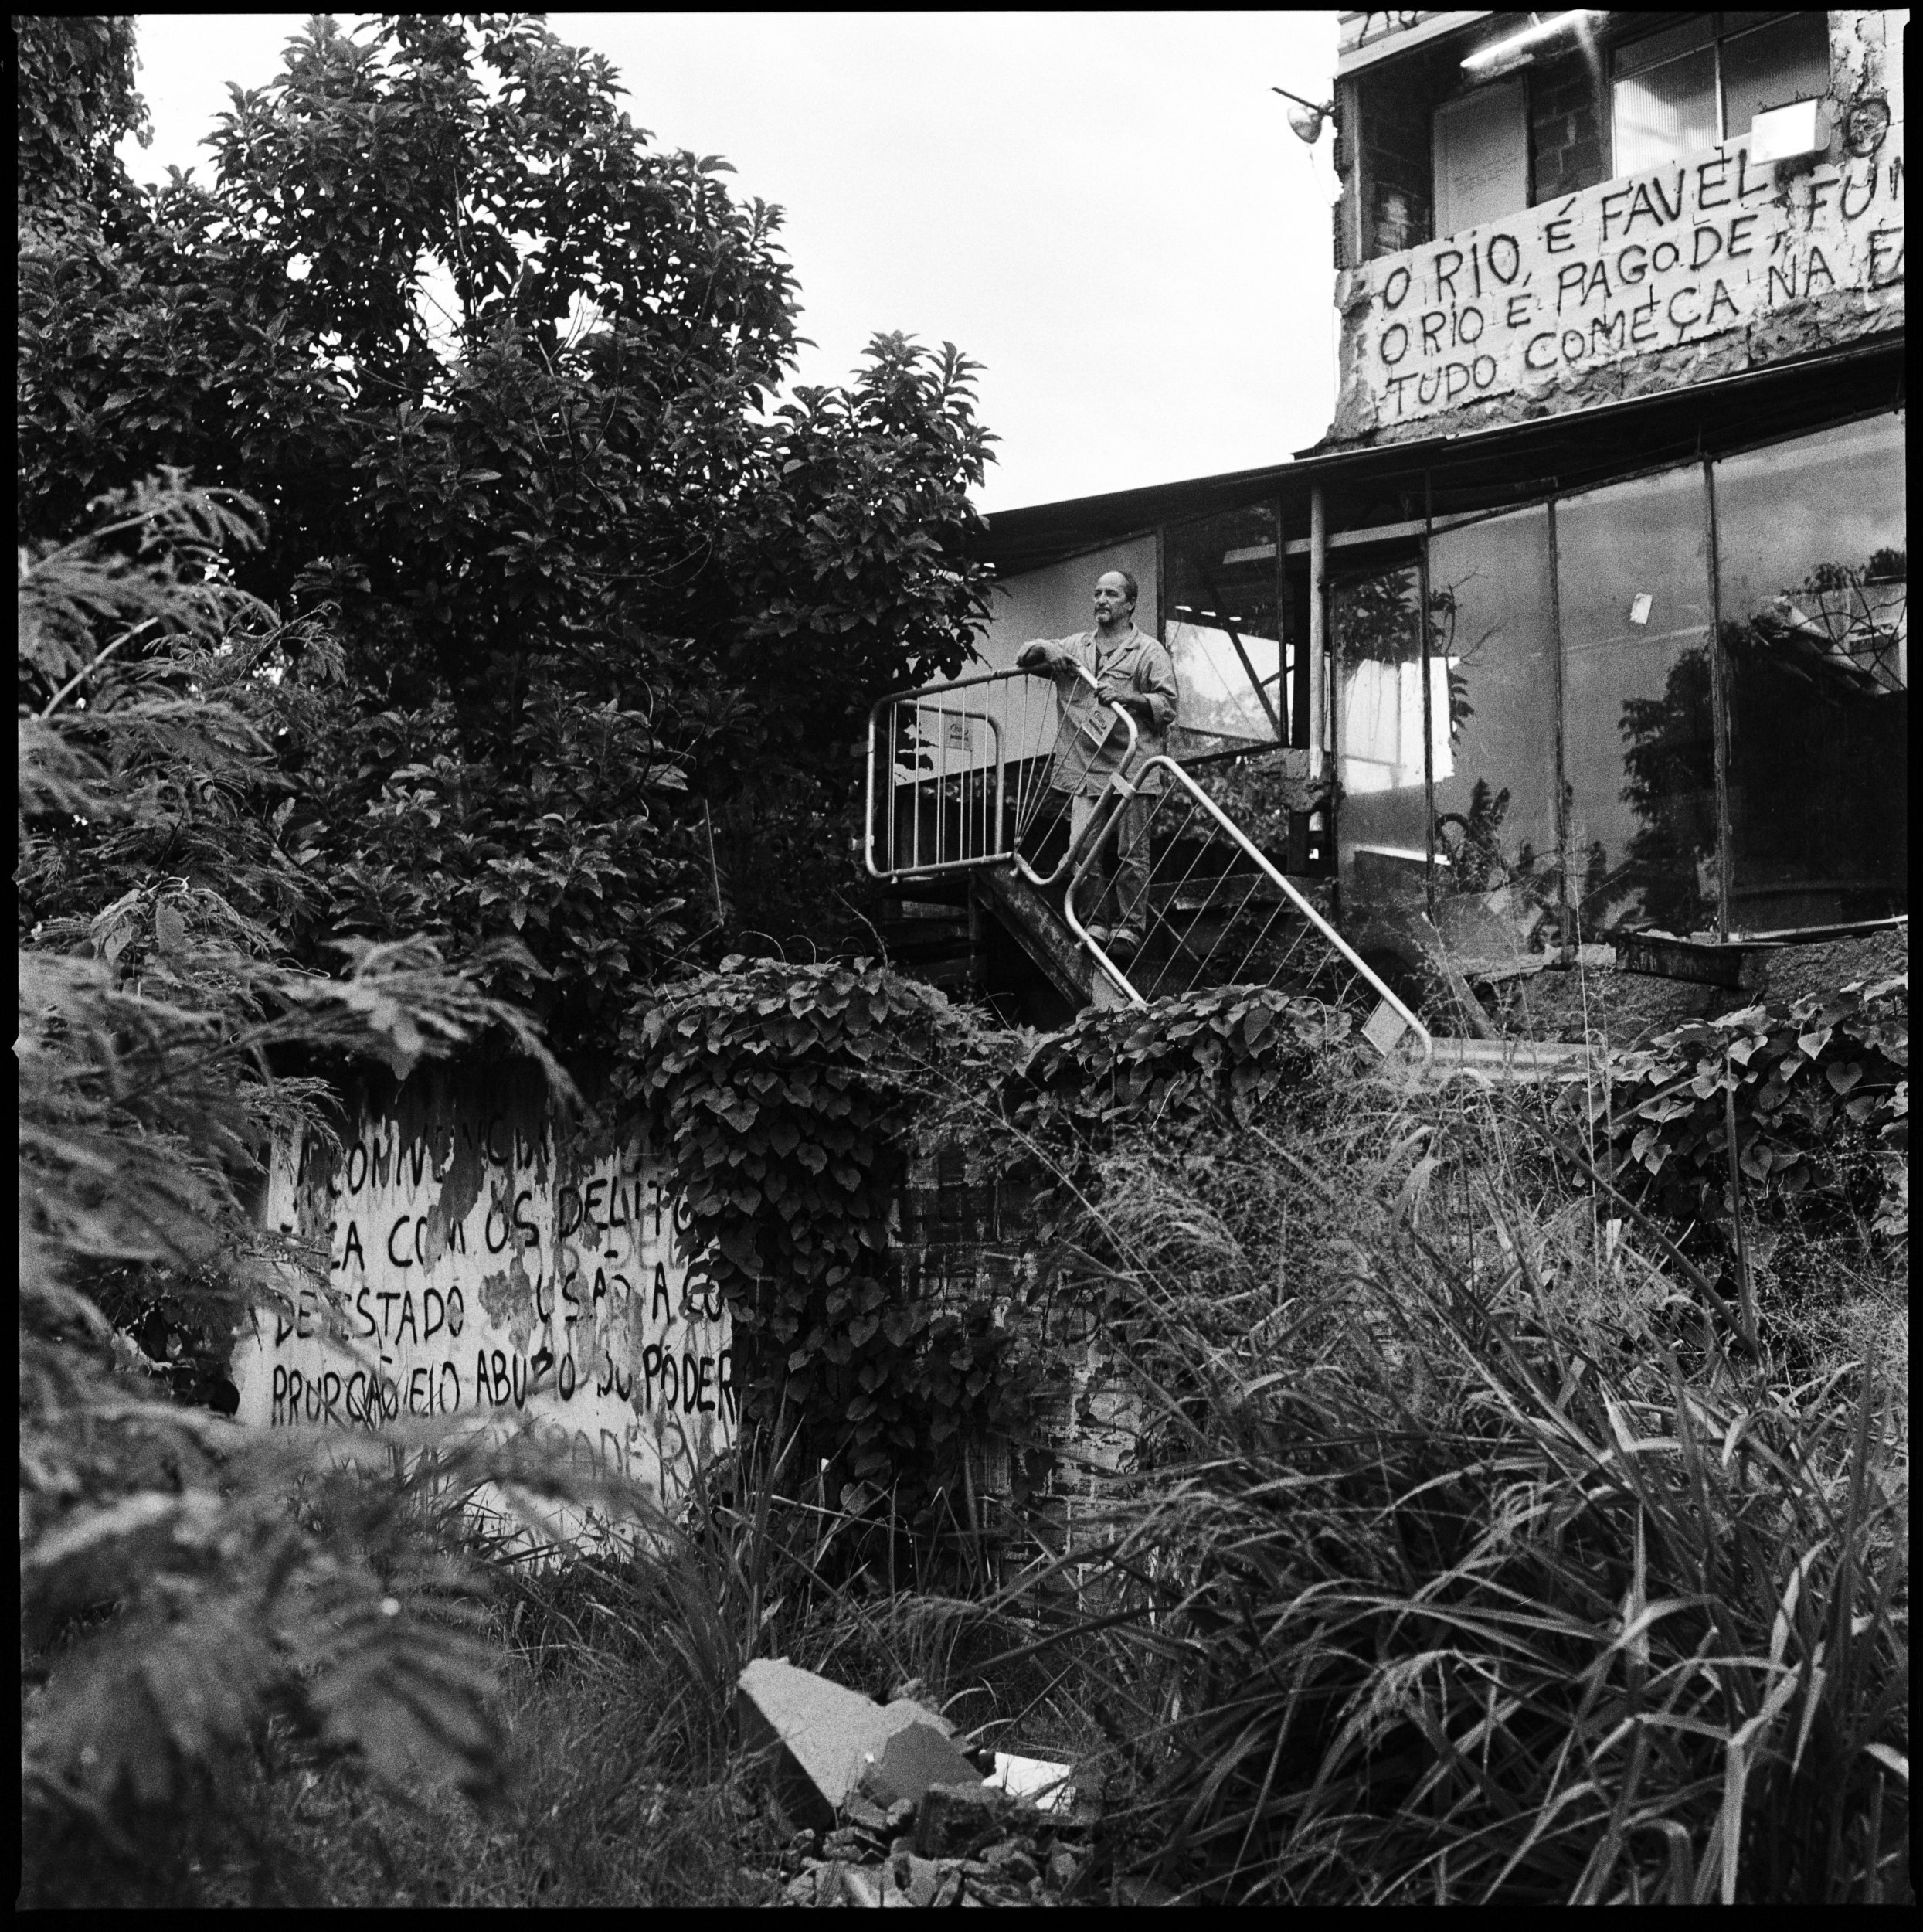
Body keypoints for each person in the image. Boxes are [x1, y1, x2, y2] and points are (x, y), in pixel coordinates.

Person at [1015, 570, 1177, 961]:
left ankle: (1129, 930)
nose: (1101, 600)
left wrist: (1129, 696)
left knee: (1130, 851)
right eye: (1097, 593)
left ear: (1130, 603)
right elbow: (1023, 658)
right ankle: (1095, 924)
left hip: (1132, 766)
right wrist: (1045, 647)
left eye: (1111, 594)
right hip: (1084, 766)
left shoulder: (1148, 651)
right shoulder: (1076, 646)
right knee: (1080, 847)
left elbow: (1168, 706)